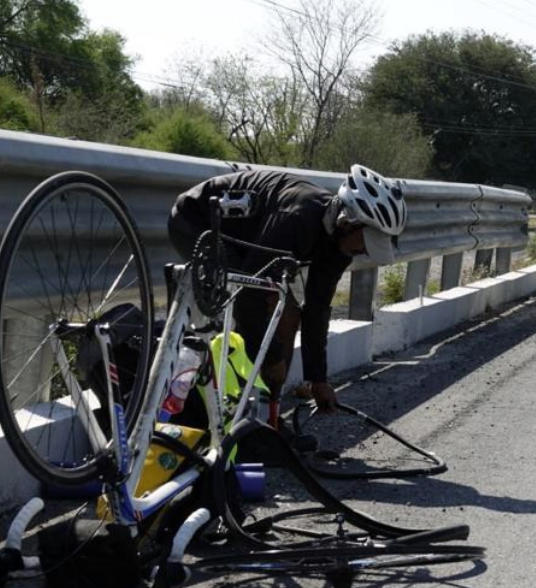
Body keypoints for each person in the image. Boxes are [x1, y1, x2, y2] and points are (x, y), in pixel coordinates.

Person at [168, 165, 407, 430]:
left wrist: (318, 379)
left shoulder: (340, 246)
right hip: (196, 221)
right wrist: (272, 359)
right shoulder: (297, 218)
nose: (364, 251)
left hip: (246, 238)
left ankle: (268, 418)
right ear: (347, 220)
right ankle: (233, 417)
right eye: (366, 242)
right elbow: (250, 295)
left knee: (285, 314)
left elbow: (317, 308)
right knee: (266, 310)